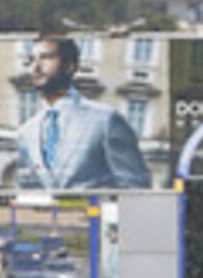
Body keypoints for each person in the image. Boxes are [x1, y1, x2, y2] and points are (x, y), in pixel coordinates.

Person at [12, 35, 151, 192]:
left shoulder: (106, 120)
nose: (36, 67)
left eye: (46, 58)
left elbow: (135, 187)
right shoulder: (27, 131)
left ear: (70, 66)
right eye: (31, 60)